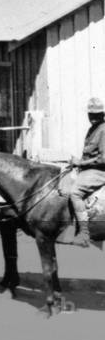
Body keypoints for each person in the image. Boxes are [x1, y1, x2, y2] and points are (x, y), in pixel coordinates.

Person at [67, 97, 105, 246]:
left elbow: (103, 159)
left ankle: (84, 233)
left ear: (102, 114)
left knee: (75, 192)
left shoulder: (103, 130)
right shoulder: (93, 129)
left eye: (97, 115)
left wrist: (81, 163)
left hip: (100, 171)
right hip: (90, 168)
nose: (94, 118)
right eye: (92, 114)